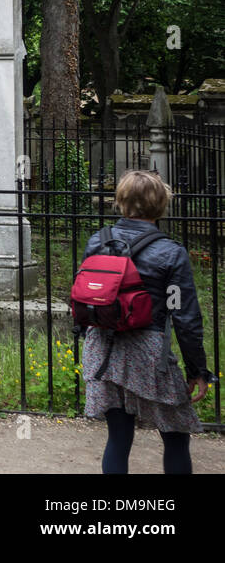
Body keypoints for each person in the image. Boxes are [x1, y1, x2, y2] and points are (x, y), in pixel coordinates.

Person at [82, 170, 212, 474]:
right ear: (161, 204)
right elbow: (183, 314)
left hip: (103, 348)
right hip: (149, 352)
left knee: (118, 436)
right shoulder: (171, 252)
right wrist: (198, 370)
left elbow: (89, 294)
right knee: (177, 437)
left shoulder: (97, 242)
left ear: (122, 202)